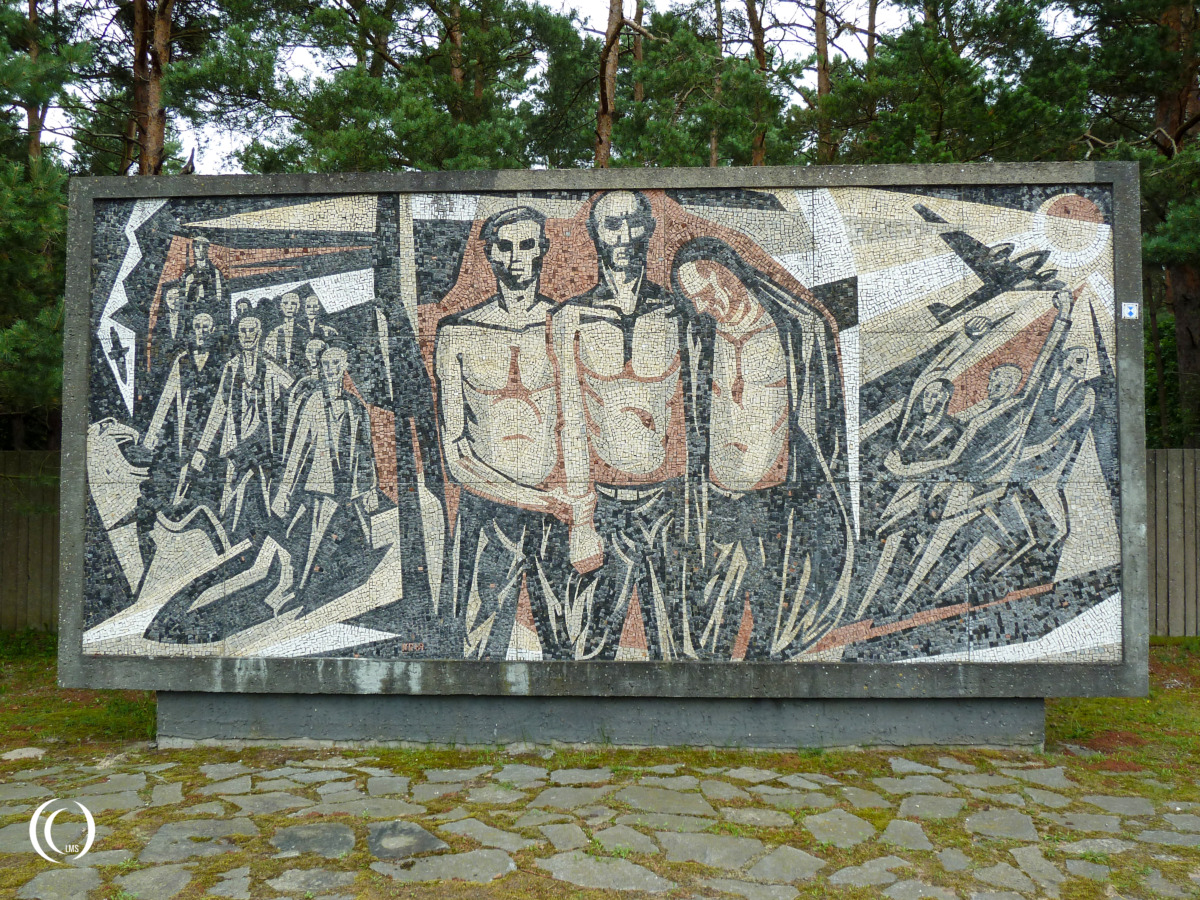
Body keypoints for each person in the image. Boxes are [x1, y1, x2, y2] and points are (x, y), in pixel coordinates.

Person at [671, 238, 854, 659]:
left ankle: (768, 665)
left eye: (701, 294)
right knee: (714, 601)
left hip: (779, 491)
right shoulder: (699, 335)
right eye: (691, 299)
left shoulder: (797, 327)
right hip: (719, 490)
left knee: (779, 591)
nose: (699, 307)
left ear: (724, 273)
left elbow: (823, 421)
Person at [550, 191, 685, 660]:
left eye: (633, 223)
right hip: (604, 503)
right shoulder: (572, 316)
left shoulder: (676, 311)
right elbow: (570, 419)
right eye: (612, 225)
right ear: (595, 235)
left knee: (678, 641)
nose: (624, 236)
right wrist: (582, 520)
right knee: (589, 645)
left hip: (668, 499)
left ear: (648, 228)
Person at [434, 206, 572, 659]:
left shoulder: (567, 325)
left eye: (527, 245)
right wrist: (538, 501)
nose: (517, 257)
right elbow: (455, 455)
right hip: (488, 513)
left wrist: (565, 504)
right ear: (489, 255)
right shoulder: (457, 334)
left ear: (544, 251)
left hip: (558, 509)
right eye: (505, 247)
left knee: (566, 642)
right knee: (476, 646)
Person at [272, 342, 378, 594]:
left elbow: (366, 450)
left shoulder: (355, 406)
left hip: (351, 486)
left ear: (345, 366)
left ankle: (356, 583)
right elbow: (298, 449)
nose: (330, 369)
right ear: (319, 368)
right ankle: (302, 587)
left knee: (364, 536)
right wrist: (284, 491)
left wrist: (371, 488)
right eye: (325, 364)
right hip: (323, 484)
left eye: (335, 363)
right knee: (315, 537)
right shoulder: (313, 402)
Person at [183, 316, 294, 536]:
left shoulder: (270, 367)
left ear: (259, 333)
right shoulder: (232, 368)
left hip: (262, 442)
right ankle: (227, 534)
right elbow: (219, 408)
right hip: (236, 441)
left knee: (265, 490)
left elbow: (295, 389)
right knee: (230, 489)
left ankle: (264, 535)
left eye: (251, 330)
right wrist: (202, 449)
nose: (246, 335)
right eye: (242, 331)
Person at [143, 313, 220, 464]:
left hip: (210, 420)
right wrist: (153, 432)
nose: (201, 331)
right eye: (198, 327)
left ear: (212, 330)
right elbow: (167, 395)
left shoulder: (220, 360)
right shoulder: (183, 359)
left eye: (205, 327)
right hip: (186, 420)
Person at [264, 291, 310, 375]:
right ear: (281, 306)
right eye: (285, 303)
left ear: (298, 307)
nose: (289, 307)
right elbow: (267, 355)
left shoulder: (303, 332)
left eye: (293, 303)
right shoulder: (274, 331)